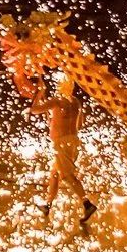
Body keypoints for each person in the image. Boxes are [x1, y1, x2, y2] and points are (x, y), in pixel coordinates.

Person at [29, 78, 96, 223]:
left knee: (67, 176)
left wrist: (39, 93)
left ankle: (87, 204)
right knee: (55, 174)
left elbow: (34, 110)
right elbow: (80, 123)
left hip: (61, 143)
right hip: (73, 141)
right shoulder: (75, 102)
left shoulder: (57, 101)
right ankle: (47, 205)